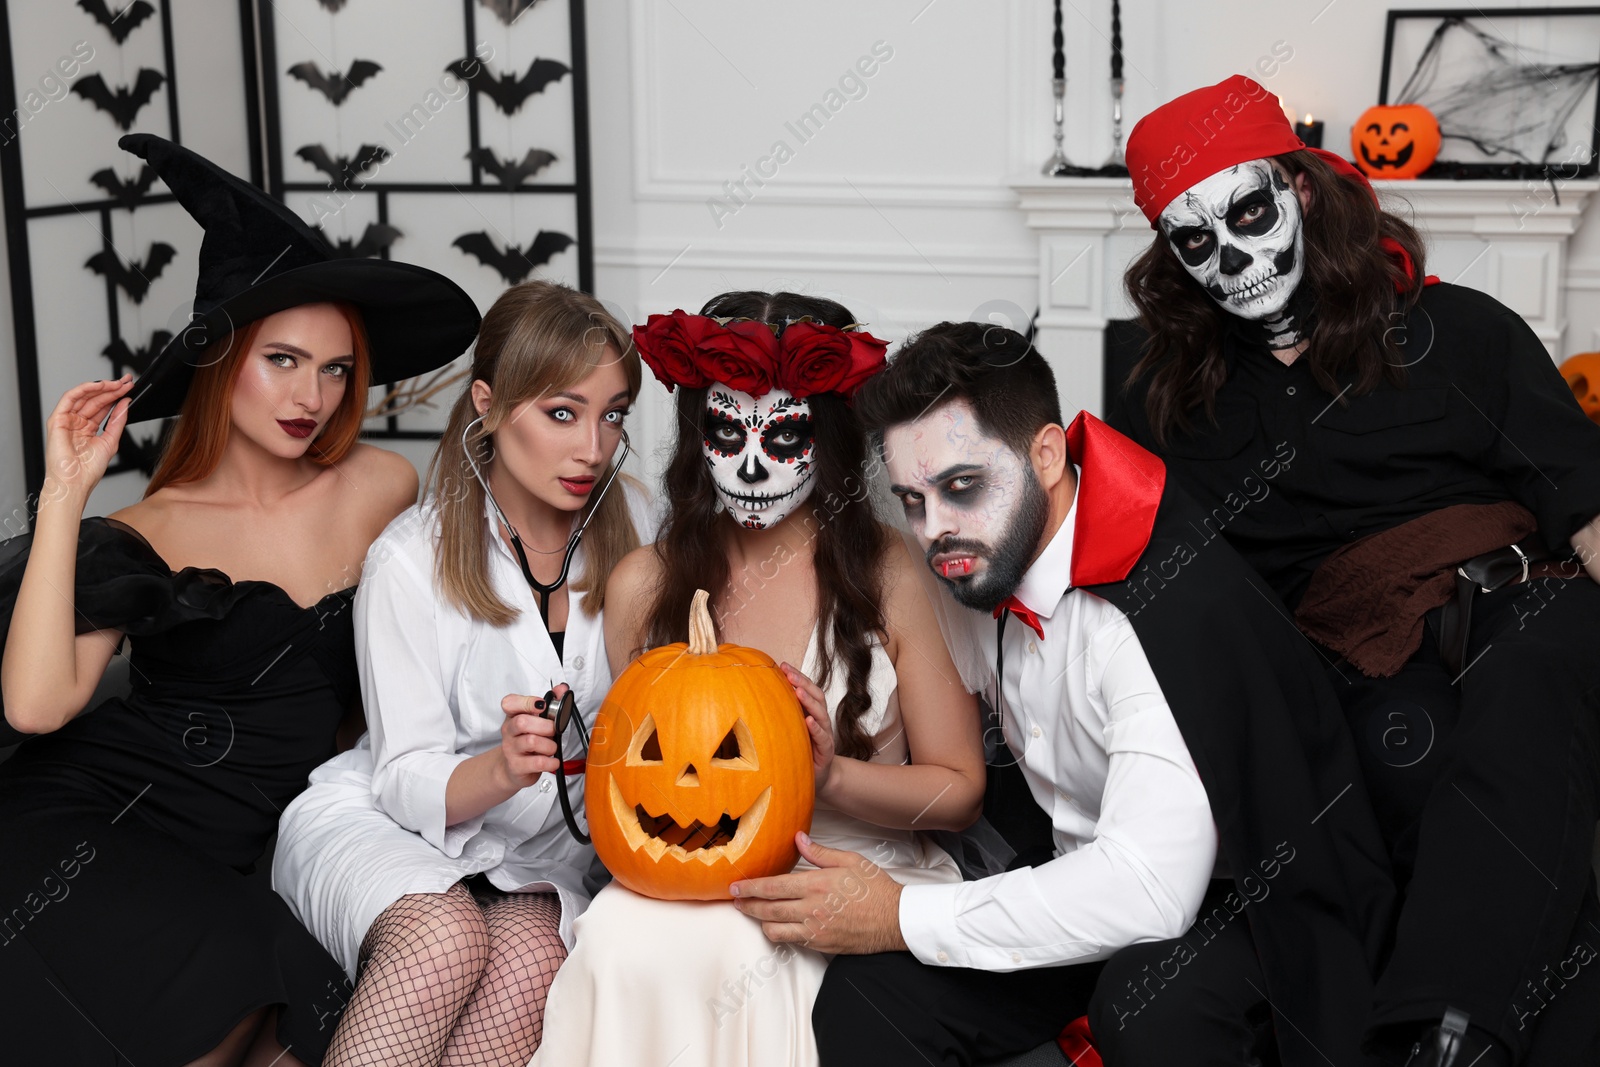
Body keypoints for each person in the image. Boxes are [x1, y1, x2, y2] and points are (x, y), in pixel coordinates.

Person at [736, 321, 1396, 1067]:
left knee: (1152, 1005)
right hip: (1078, 871)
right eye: (912, 500)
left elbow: (1151, 887)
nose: (935, 529)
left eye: (961, 487)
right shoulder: (981, 561)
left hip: (1253, 898)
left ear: (1046, 455)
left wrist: (899, 911)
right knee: (873, 992)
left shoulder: (1150, 612)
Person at [1115, 75, 1600, 1066]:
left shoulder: (1457, 330)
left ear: (1298, 191)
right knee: (1385, 754)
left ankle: (1452, 1031)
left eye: (1248, 212)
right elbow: (1173, 601)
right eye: (1194, 240)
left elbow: (1584, 497)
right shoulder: (1174, 408)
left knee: (1535, 660)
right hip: (1345, 661)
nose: (1232, 258)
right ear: (1170, 256)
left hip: (1517, 603)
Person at [0, 133, 480, 1066]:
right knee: (232, 986)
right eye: (284, 360)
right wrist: (67, 490)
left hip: (262, 831)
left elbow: (421, 650)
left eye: (336, 368)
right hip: (93, 820)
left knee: (293, 997)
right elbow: (35, 703)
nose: (312, 394)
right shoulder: (152, 525)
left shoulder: (380, 483)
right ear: (224, 366)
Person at [527, 291, 985, 1067]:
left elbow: (963, 790)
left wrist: (829, 776)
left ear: (830, 442)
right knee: (612, 935)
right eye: (726, 429)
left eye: (783, 435)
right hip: (687, 867)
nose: (752, 462)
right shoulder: (645, 582)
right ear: (696, 436)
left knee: (739, 953)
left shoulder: (891, 569)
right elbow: (640, 783)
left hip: (846, 866)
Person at [271, 281, 655, 1067]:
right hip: (381, 820)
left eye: (612, 413)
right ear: (487, 401)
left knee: (530, 964)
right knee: (444, 940)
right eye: (561, 412)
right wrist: (501, 767)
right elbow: (402, 776)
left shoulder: (644, 526)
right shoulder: (410, 560)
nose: (593, 446)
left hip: (538, 857)